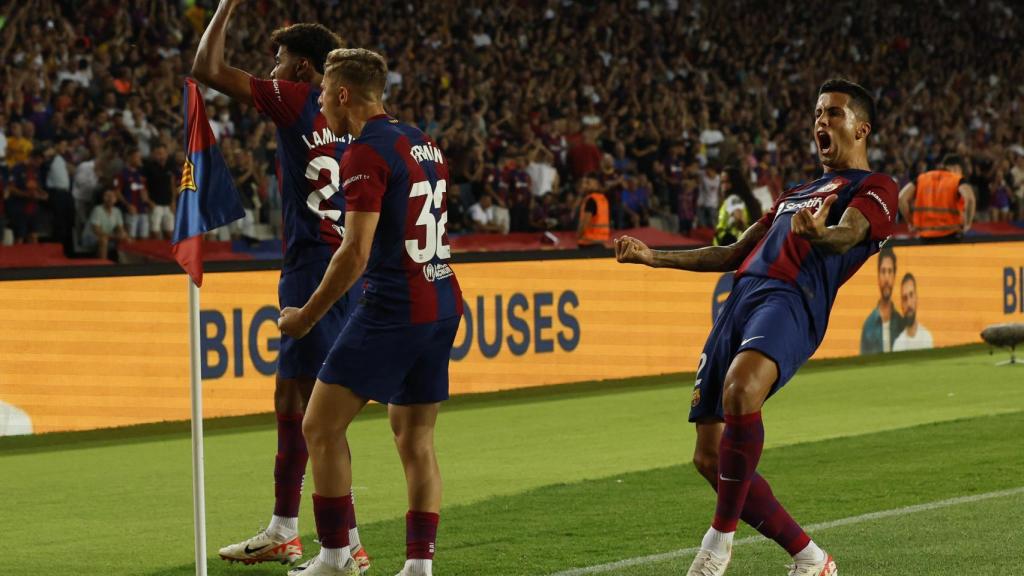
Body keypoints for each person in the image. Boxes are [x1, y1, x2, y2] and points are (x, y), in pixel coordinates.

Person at [615, 79, 897, 576]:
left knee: (741, 390)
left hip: (792, 298)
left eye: (833, 113)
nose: (820, 122)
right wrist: (653, 257)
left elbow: (850, 233)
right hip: (740, 300)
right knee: (708, 457)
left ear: (861, 127)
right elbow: (731, 253)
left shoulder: (874, 188)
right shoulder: (795, 194)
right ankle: (811, 559)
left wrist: (823, 233)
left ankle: (717, 544)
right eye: (816, 112)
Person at [190, 1, 369, 570]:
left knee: (320, 412)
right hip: (333, 261)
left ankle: (348, 543)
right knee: (291, 400)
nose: (272, 67)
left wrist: (224, 7)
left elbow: (207, 68)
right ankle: (284, 528)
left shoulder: (295, 101)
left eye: (280, 58)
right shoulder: (352, 120)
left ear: (305, 72)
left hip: (313, 264)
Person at [278, 47, 462, 576]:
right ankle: (419, 567)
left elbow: (354, 253)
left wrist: (306, 317)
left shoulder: (361, 152)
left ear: (342, 94)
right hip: (441, 298)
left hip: (394, 306)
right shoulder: (424, 142)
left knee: (319, 426)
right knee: (416, 438)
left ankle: (336, 556)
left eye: (322, 92)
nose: (317, 102)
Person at [898, 154, 975, 241]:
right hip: (950, 235)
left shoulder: (922, 179)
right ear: (957, 168)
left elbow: (901, 198)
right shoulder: (957, 180)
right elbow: (970, 199)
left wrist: (910, 222)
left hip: (924, 236)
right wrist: (967, 224)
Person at [860, 246, 904, 354]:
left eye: (890, 271)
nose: (886, 278)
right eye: (883, 271)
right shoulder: (868, 326)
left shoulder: (901, 323)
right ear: (878, 275)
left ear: (894, 275)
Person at [892, 273, 933, 351]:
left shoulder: (927, 339)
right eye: (905, 298)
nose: (909, 303)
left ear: (916, 299)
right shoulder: (898, 346)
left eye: (911, 295)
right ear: (901, 305)